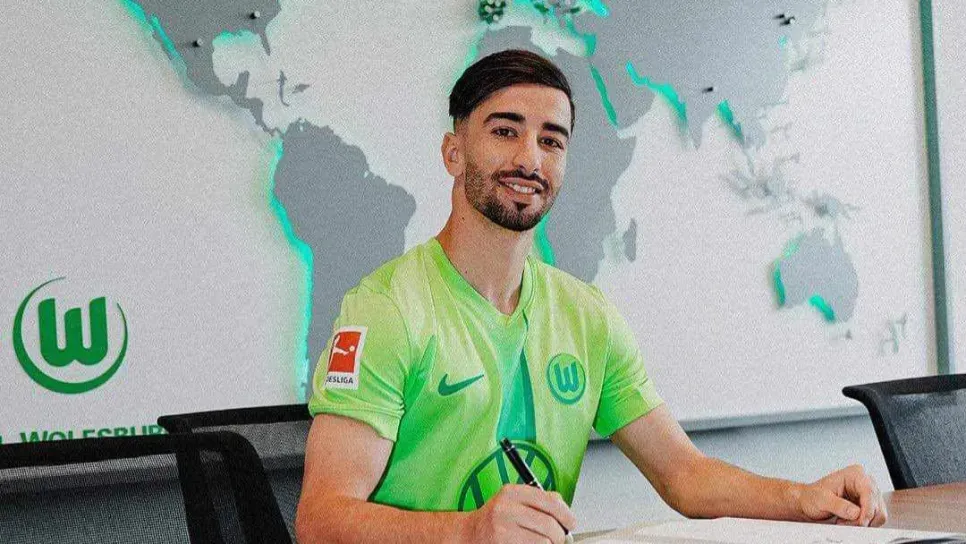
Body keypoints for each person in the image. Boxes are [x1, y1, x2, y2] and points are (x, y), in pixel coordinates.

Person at [294, 49, 887, 544]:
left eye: (551, 141)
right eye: (505, 131)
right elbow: (319, 521)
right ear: (454, 152)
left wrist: (803, 498)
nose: (530, 158)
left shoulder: (585, 315)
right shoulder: (385, 310)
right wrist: (468, 531)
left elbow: (684, 475)